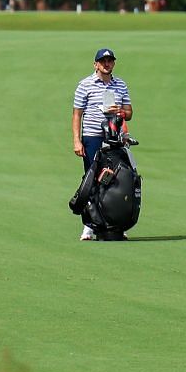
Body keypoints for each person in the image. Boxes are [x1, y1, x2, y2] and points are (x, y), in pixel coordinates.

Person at [71, 47, 132, 241]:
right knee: (92, 179)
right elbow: (77, 114)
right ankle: (89, 226)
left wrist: (121, 113)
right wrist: (77, 140)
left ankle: (115, 224)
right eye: (103, 61)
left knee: (115, 180)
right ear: (95, 64)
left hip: (114, 137)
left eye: (110, 61)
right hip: (92, 136)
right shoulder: (85, 85)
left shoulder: (120, 85)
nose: (107, 64)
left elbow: (129, 112)